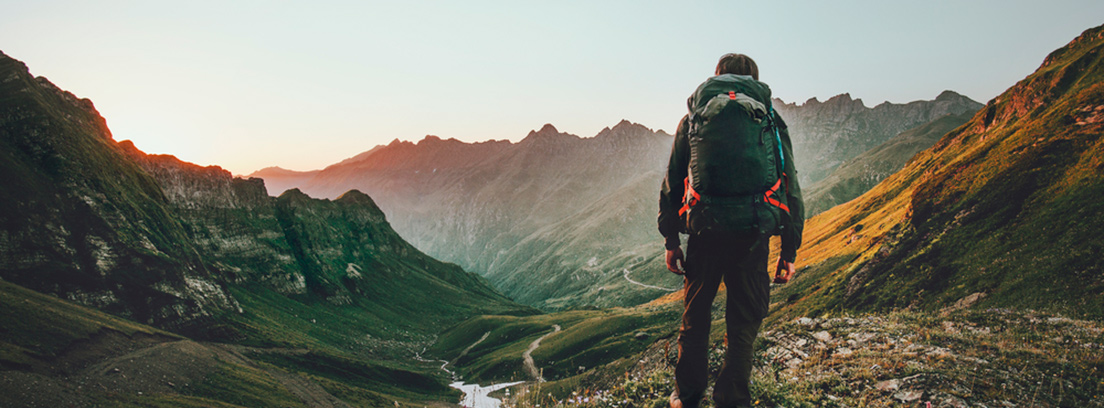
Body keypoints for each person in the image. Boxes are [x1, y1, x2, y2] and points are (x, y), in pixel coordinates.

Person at [657, 53, 804, 408]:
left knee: (696, 317)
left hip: (705, 231)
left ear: (717, 77)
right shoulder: (769, 119)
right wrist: (789, 251)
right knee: (744, 322)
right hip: (752, 235)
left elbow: (673, 181)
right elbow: (791, 186)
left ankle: (687, 396)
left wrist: (671, 239)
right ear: (754, 79)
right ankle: (732, 399)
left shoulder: (694, 118)